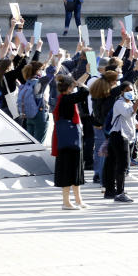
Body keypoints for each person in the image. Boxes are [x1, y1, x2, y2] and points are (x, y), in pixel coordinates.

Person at [51, 73, 91, 210]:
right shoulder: (67, 99)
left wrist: (75, 83)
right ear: (68, 87)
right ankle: (66, 202)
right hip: (70, 141)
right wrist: (78, 83)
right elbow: (85, 92)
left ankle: (78, 200)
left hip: (68, 140)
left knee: (75, 170)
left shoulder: (63, 98)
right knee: (69, 170)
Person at [105, 81, 138, 202]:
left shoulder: (129, 103)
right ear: (122, 92)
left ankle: (116, 190)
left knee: (120, 164)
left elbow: (133, 121)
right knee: (122, 165)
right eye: (127, 90)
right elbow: (129, 113)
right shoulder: (119, 103)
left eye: (131, 90)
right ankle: (120, 192)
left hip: (126, 136)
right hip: (119, 136)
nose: (130, 92)